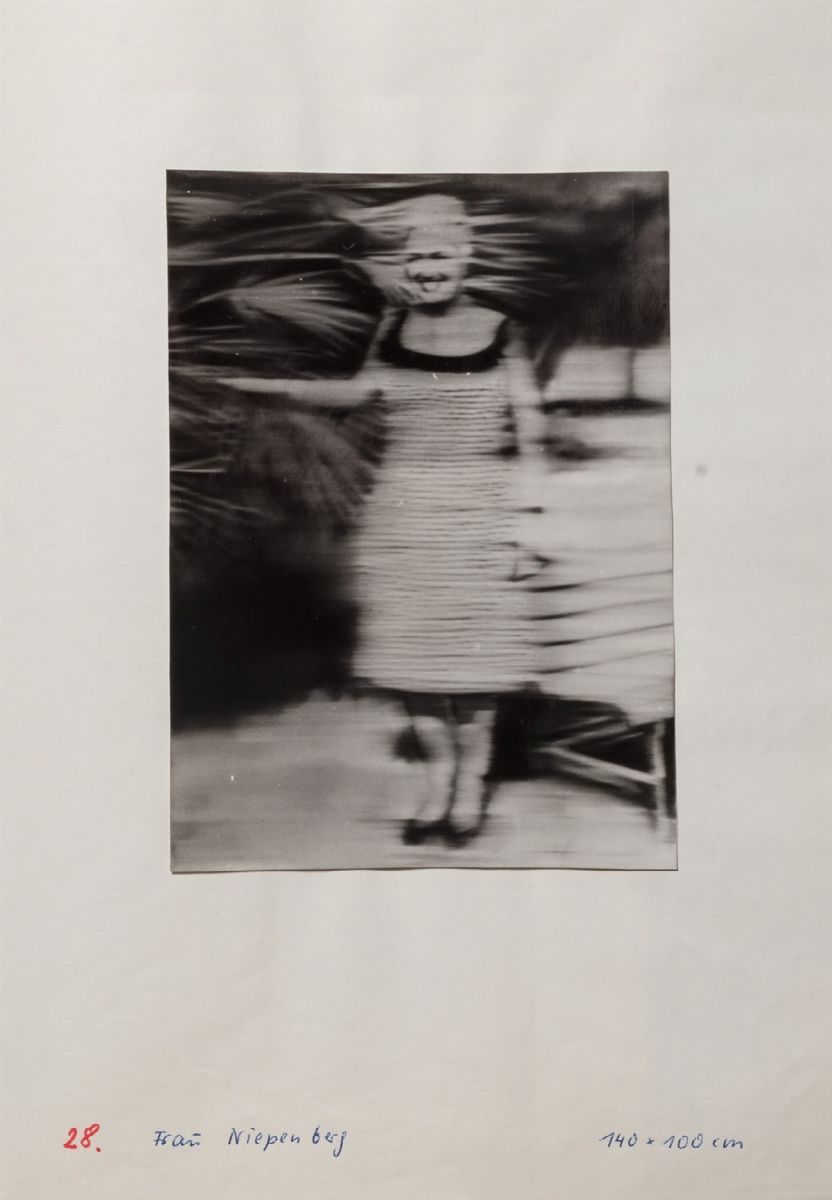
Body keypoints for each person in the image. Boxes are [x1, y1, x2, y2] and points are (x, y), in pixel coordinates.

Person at [226, 194, 547, 847]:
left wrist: (529, 527)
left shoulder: (501, 329)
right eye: (416, 257)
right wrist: (266, 387)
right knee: (414, 662)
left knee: (477, 665)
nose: (428, 269)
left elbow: (532, 429)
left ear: (466, 258)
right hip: (404, 515)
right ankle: (437, 781)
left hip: (480, 512)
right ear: (405, 265)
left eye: (441, 255)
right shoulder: (392, 327)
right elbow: (355, 392)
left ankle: (469, 786)